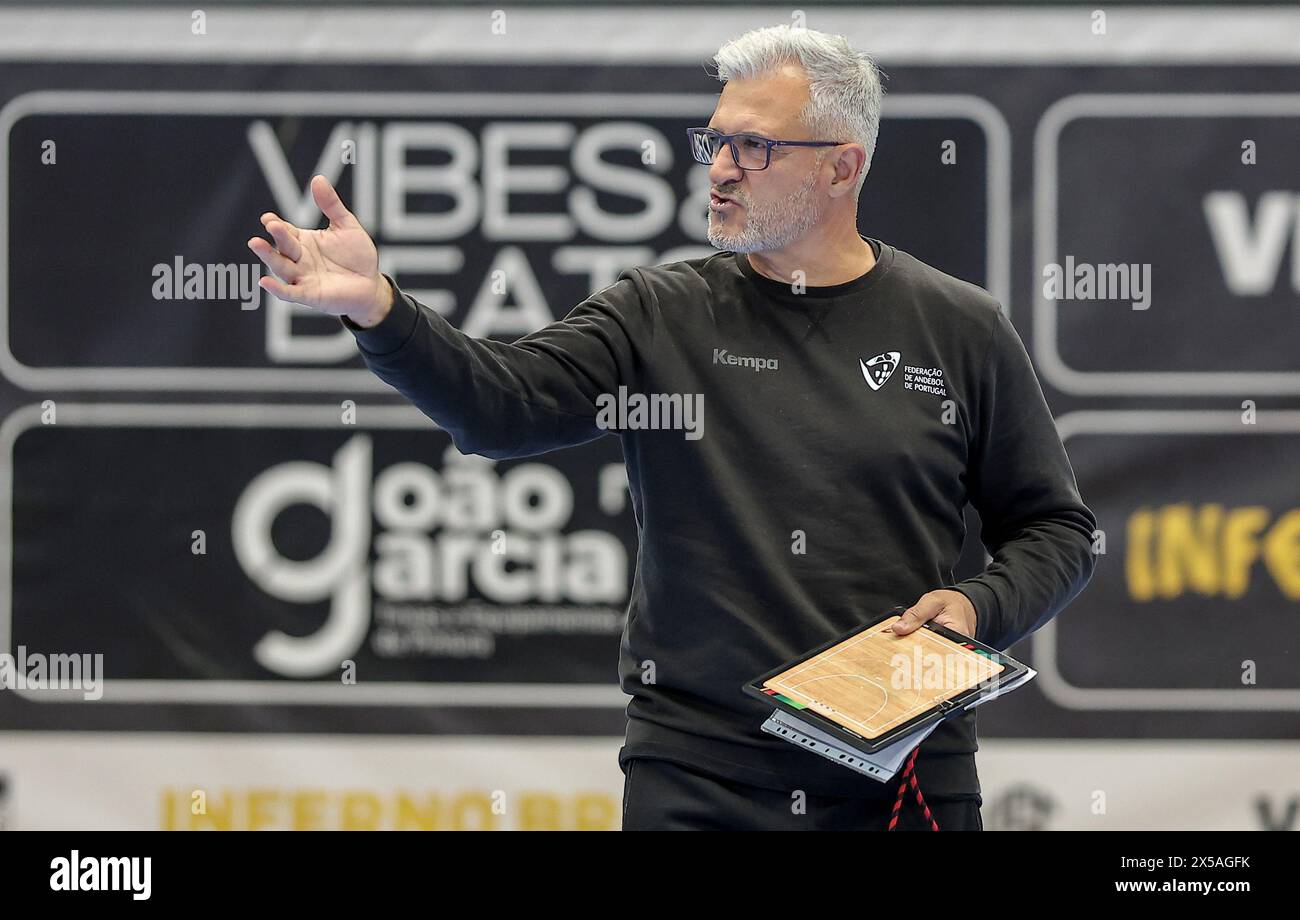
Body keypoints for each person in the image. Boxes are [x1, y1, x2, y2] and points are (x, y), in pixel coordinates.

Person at [247, 24, 1096, 831]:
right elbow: (497, 408)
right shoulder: (661, 313)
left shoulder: (959, 326)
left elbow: (1057, 529)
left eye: (753, 147)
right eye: (714, 141)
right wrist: (380, 308)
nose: (721, 169)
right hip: (699, 780)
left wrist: (979, 607)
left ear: (844, 168)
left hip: (909, 777)